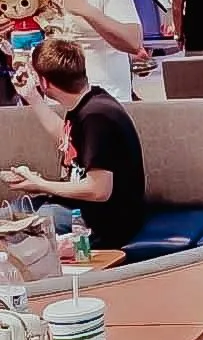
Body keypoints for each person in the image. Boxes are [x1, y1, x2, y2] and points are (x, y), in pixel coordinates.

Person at [1, 37, 145, 248]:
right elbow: (69, 138)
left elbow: (99, 190)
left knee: (14, 231)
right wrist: (33, 98)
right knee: (7, 213)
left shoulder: (97, 117)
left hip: (103, 221)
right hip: (75, 207)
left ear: (45, 82)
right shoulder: (87, 101)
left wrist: (40, 184)